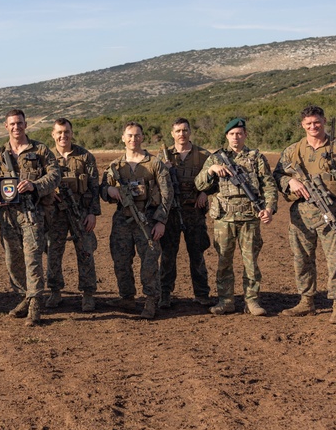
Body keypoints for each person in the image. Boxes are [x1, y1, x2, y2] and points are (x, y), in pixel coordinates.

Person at [273, 106, 336, 325]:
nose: (313, 127)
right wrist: (290, 182)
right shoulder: (292, 151)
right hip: (301, 214)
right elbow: (277, 175)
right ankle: (306, 301)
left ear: (324, 121)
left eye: (317, 122)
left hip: (331, 214)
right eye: (309, 123)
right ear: (303, 125)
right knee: (302, 258)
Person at [0, 109, 60, 326]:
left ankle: (35, 303)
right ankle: (25, 296)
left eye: (20, 123)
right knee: (12, 259)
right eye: (12, 124)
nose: (17, 127)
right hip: (7, 216)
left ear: (26, 125)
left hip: (32, 213)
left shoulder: (41, 150)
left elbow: (55, 175)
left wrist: (35, 185)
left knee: (32, 258)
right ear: (6, 127)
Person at [195, 117, 277, 316]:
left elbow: (269, 186)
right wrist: (211, 170)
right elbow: (199, 184)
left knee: (251, 262)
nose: (235, 137)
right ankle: (226, 300)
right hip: (224, 218)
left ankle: (252, 301)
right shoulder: (216, 158)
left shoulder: (256, 157)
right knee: (224, 262)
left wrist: (269, 208)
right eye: (232, 134)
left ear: (245, 135)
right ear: (226, 136)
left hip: (250, 217)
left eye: (239, 133)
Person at [100, 121, 173, 319]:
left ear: (142, 137)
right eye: (130, 135)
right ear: (123, 138)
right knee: (121, 261)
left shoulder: (154, 163)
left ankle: (151, 300)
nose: (134, 139)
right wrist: (109, 189)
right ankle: (127, 297)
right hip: (122, 220)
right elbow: (102, 189)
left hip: (147, 219)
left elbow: (167, 194)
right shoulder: (115, 166)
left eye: (137, 135)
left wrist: (161, 221)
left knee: (149, 262)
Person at [45, 118, 101, 312]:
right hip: (55, 214)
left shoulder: (85, 157)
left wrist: (93, 213)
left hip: (81, 213)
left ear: (72, 132)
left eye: (67, 132)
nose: (63, 136)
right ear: (53, 134)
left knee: (85, 252)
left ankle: (87, 294)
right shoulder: (46, 157)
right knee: (53, 252)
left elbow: (94, 187)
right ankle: (55, 291)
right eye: (59, 132)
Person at [158, 118, 214, 308]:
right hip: (171, 213)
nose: (182, 134)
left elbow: (215, 181)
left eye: (185, 130)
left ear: (190, 132)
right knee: (167, 255)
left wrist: (205, 193)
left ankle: (202, 293)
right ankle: (164, 294)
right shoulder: (163, 157)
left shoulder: (203, 155)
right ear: (172, 134)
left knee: (197, 254)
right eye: (178, 131)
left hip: (194, 212)